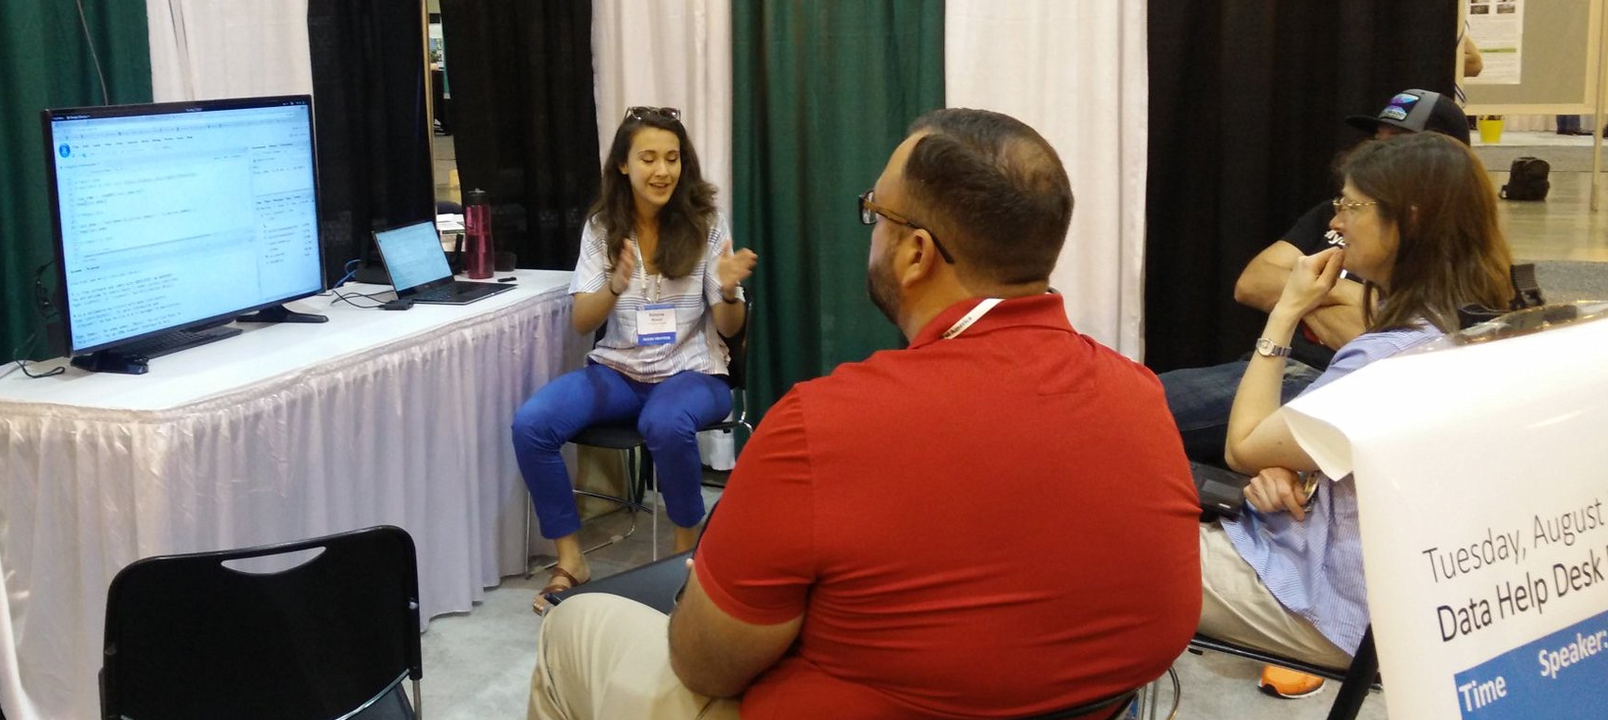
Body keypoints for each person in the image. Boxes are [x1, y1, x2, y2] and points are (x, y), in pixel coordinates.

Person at [526, 108, 1202, 720]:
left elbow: (704, 661)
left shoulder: (821, 426)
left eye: (875, 211)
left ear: (916, 254)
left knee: (570, 633)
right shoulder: (1142, 397)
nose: (870, 228)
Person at [1200, 132, 1514, 695]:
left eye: (1351, 205)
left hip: (1334, 605)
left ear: (1409, 220)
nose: (1337, 222)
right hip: (1430, 600)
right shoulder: (1477, 326)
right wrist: (1298, 465)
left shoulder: (1386, 358)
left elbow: (1241, 447)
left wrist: (1288, 312)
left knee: (1111, 548)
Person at [512, 106, 757, 613]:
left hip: (694, 371)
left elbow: (728, 328)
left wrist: (730, 292)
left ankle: (684, 562)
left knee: (664, 422)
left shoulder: (707, 223)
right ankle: (571, 559)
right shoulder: (603, 226)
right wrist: (616, 285)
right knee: (532, 424)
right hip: (620, 370)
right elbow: (583, 319)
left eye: (671, 158)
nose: (662, 170)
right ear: (624, 165)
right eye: (648, 158)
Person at [1159, 89, 1470, 467]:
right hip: (1272, 366)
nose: (1378, 159)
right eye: (1378, 144)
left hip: (1326, 381)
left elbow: (1379, 344)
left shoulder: (1452, 258)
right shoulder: (1337, 215)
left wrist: (1297, 300)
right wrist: (1341, 293)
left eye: (1397, 148)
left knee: (1136, 420)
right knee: (1131, 401)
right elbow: (1252, 282)